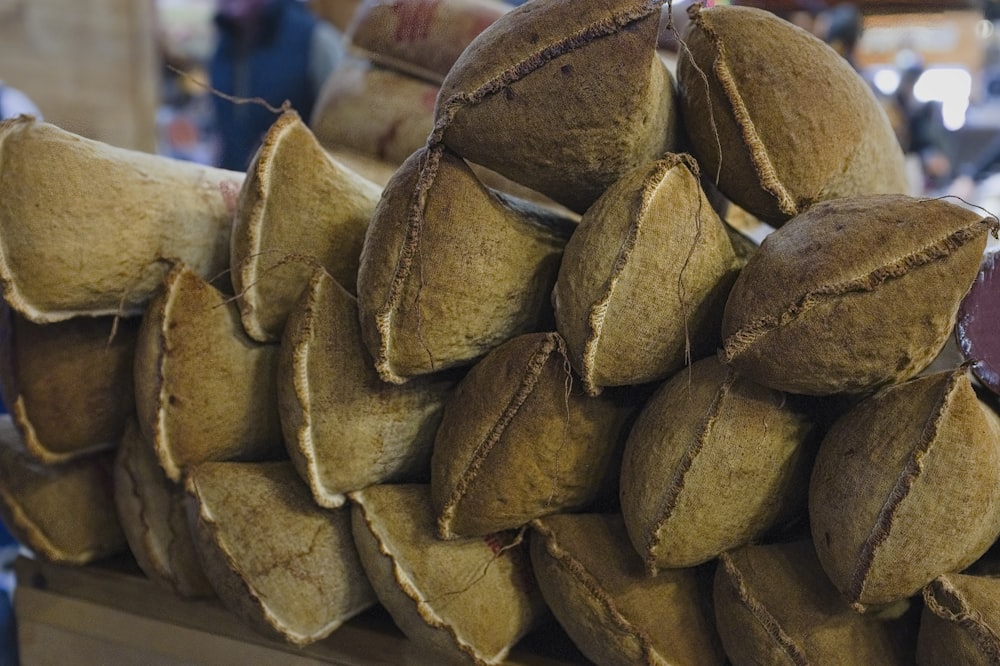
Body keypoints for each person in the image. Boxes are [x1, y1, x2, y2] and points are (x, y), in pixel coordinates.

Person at [209, 0, 345, 171]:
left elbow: (346, 133)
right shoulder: (222, 48)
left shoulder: (316, 40)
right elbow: (224, 135)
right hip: (237, 189)